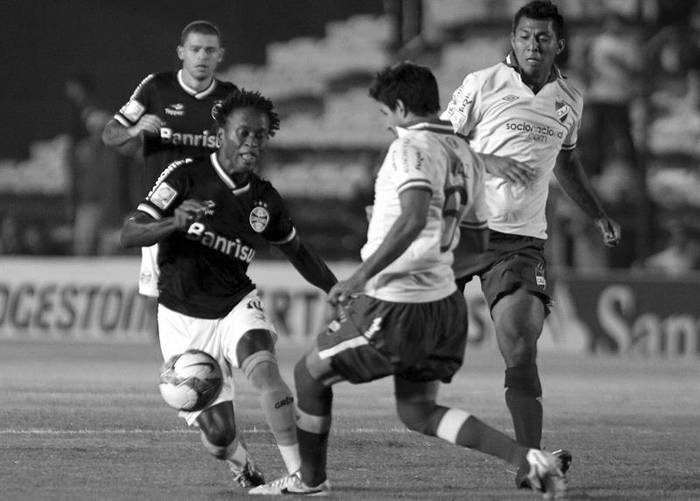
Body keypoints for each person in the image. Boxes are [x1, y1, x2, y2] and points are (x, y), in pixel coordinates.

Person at [250, 62, 565, 499]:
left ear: (399, 108)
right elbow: (474, 247)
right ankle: (528, 457)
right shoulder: (468, 155)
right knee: (417, 411)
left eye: (384, 113)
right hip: (443, 309)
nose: (385, 122)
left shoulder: (409, 147)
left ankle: (310, 481)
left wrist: (360, 276)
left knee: (308, 375)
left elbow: (416, 216)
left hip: (397, 305)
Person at [441, 0, 621, 488]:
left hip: (519, 242)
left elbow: (566, 163)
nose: (533, 45)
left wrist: (597, 212)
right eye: (524, 37)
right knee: (421, 349)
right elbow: (438, 143)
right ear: (513, 40)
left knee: (521, 347)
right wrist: (490, 164)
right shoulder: (481, 84)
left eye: (543, 38)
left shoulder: (569, 100)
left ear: (559, 44)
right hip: (461, 230)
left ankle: (531, 464)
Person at [120, 89, 337, 489]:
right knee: (219, 436)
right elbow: (129, 232)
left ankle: (304, 478)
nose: (251, 143)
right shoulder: (185, 176)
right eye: (243, 133)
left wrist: (336, 290)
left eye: (259, 136)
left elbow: (300, 253)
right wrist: (173, 224)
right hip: (182, 320)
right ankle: (241, 463)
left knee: (265, 369)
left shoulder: (264, 199)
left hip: (236, 304)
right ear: (221, 133)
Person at [103, 20, 237, 299]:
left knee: (210, 291)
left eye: (209, 50)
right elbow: (109, 134)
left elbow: (245, 151)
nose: (202, 56)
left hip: (208, 209)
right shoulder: (156, 88)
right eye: (195, 49)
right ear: (181, 52)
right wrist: (134, 129)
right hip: (159, 207)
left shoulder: (230, 98)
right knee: (155, 293)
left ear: (220, 55)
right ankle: (164, 345)